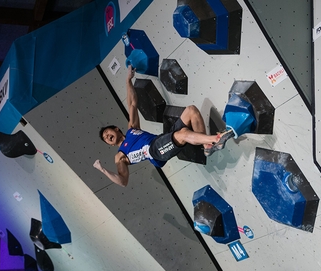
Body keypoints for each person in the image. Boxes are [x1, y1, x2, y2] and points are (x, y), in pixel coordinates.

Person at [93, 65, 234, 187]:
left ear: (116, 129)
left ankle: (206, 146)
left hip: (161, 139)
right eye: (105, 138)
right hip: (155, 151)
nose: (107, 136)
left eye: (107, 132)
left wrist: (128, 80)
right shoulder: (119, 155)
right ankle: (215, 139)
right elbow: (123, 181)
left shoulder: (132, 129)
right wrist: (103, 170)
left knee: (191, 111)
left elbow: (133, 104)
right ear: (110, 144)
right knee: (181, 134)